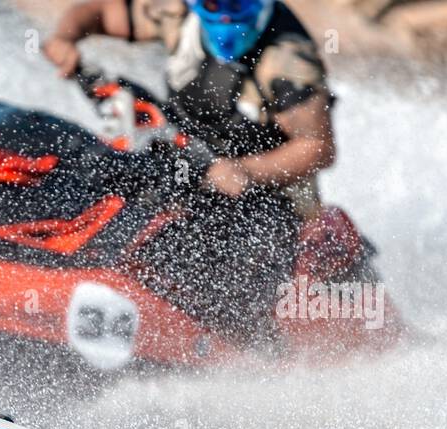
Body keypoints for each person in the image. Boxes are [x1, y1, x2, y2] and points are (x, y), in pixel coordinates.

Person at [43, 0, 335, 337]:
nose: (226, 14)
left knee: (222, 264)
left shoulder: (289, 61)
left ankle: (228, 342)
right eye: (214, 2)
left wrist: (246, 171)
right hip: (191, 163)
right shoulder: (175, 13)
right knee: (107, 171)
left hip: (268, 201)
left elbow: (318, 147)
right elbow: (102, 13)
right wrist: (65, 39)